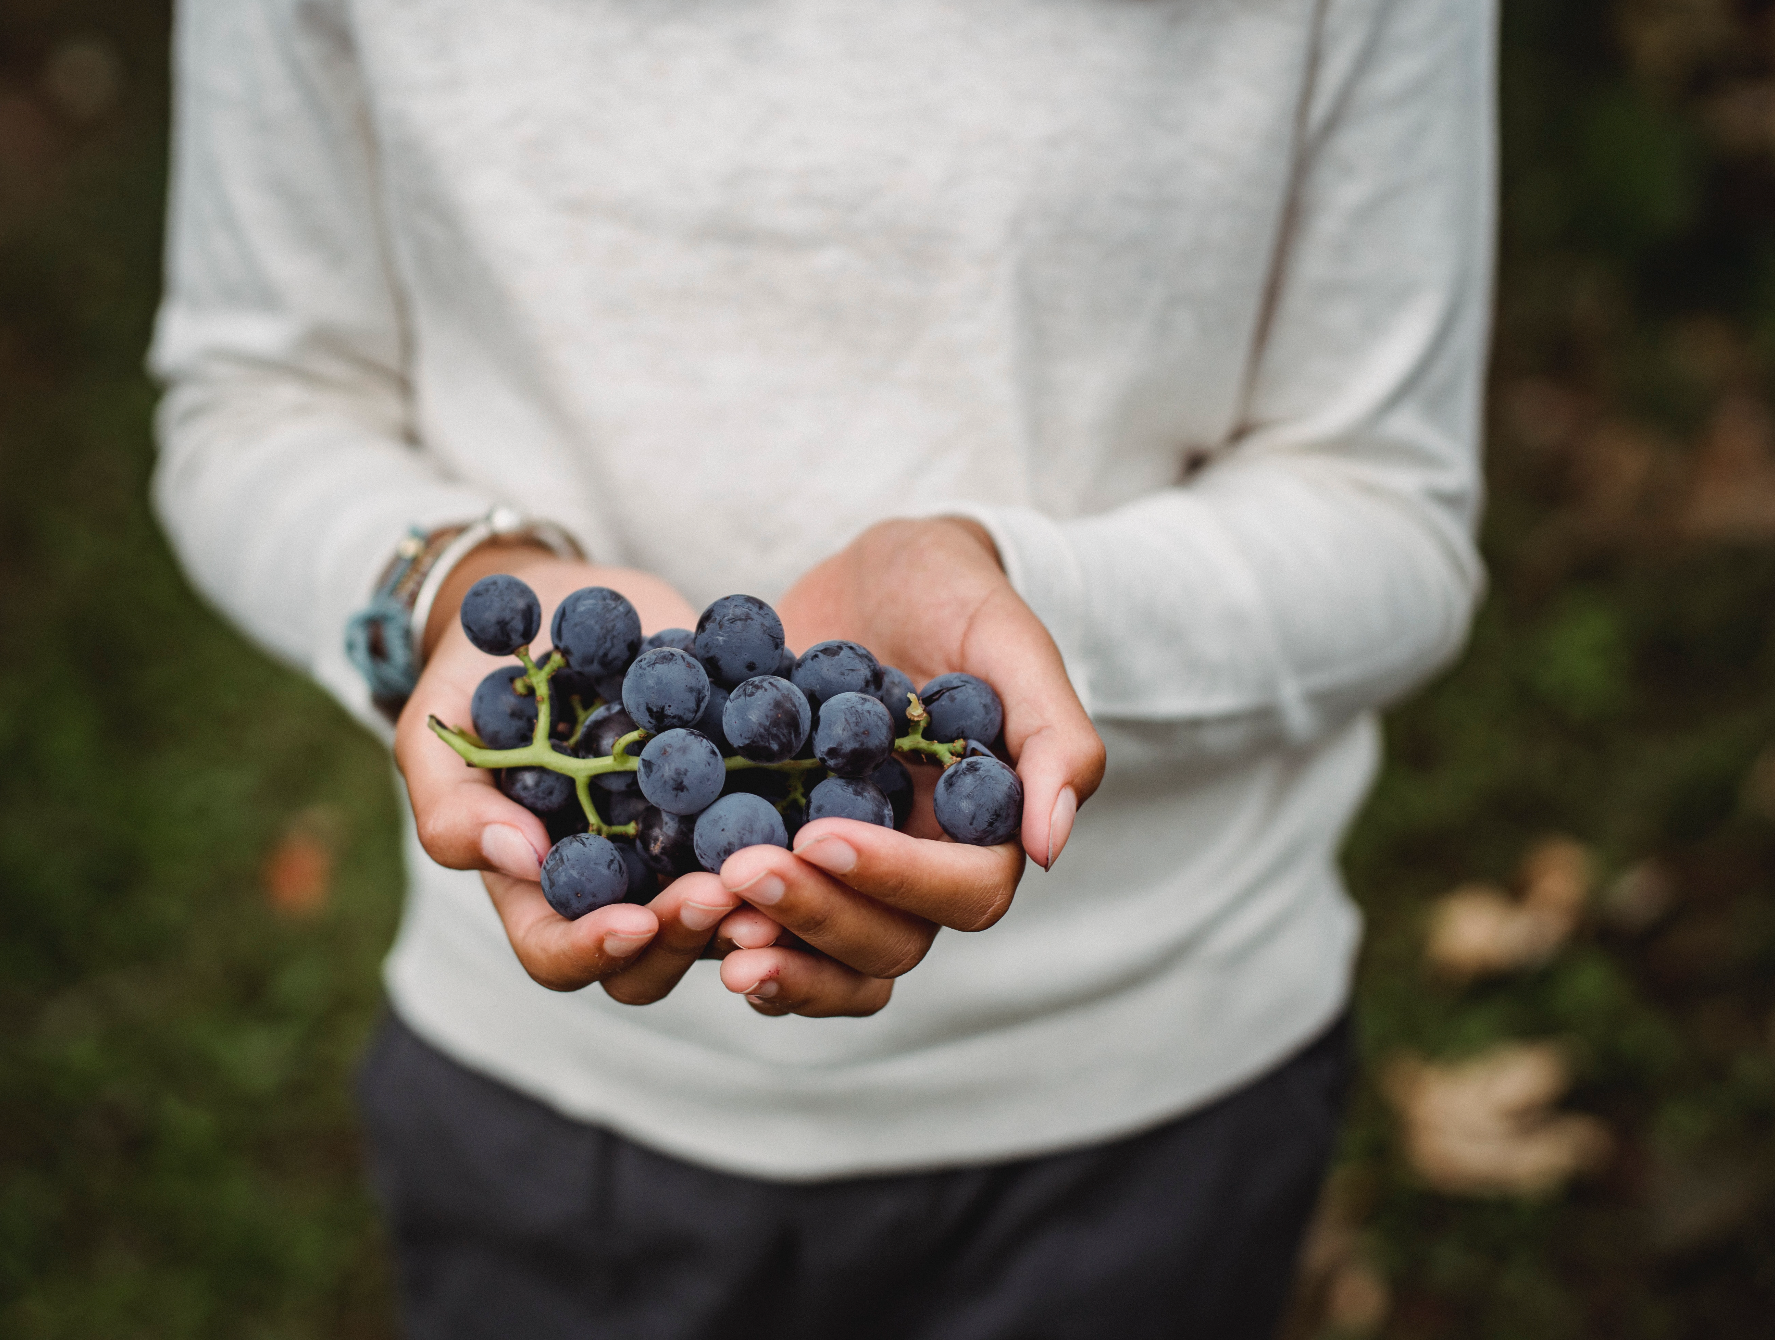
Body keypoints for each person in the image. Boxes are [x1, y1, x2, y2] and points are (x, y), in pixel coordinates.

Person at [149, 1, 1492, 1335]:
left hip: (1147, 1107)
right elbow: (254, 401)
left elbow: (1390, 514)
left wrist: (1027, 608)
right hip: (549, 1110)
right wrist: (447, 585)